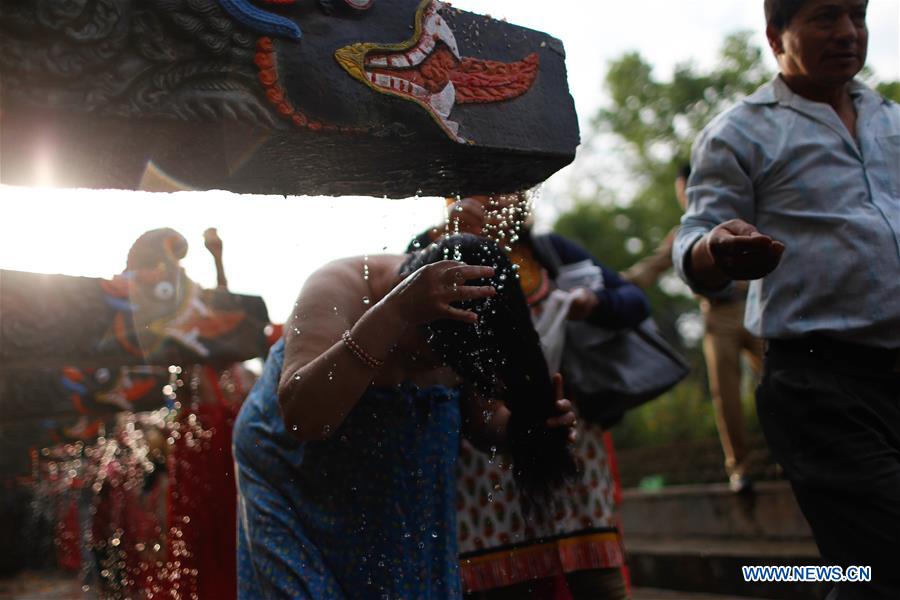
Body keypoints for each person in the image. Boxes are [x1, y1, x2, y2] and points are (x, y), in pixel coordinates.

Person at [672, 0, 900, 597]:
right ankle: (740, 470)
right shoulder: (739, 132)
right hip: (821, 386)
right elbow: (694, 239)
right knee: (883, 561)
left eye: (857, 16)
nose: (847, 32)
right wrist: (716, 249)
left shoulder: (892, 120)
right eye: (825, 17)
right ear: (776, 36)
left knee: (867, 575)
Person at [233, 235, 579, 599]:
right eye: (422, 353)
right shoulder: (340, 286)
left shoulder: (466, 320)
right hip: (293, 484)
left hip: (399, 512)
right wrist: (393, 313)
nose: (423, 370)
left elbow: (482, 421)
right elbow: (303, 418)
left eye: (440, 364)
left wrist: (527, 430)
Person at [412, 193, 649, 600]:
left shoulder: (549, 252)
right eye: (485, 188)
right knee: (505, 582)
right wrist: (449, 236)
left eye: (509, 188)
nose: (500, 198)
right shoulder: (430, 250)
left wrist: (595, 303)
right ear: (454, 194)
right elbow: (409, 325)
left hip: (566, 433)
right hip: (481, 450)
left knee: (596, 579)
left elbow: (634, 302)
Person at [623, 165, 763, 493]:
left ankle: (794, 454)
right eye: (681, 195)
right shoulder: (683, 236)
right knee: (725, 394)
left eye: (688, 191)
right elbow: (651, 268)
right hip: (716, 316)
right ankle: (739, 469)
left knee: (781, 381)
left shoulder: (739, 218)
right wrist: (613, 281)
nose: (685, 199)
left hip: (755, 306)